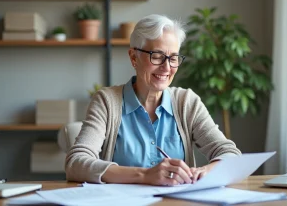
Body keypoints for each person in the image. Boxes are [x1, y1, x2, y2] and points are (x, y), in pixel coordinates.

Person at [65, 14, 241, 186]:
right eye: (157, 56)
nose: (166, 67)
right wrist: (144, 175)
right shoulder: (107, 101)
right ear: (134, 57)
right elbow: (76, 163)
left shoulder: (187, 102)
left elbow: (230, 153)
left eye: (173, 58)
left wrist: (205, 172)